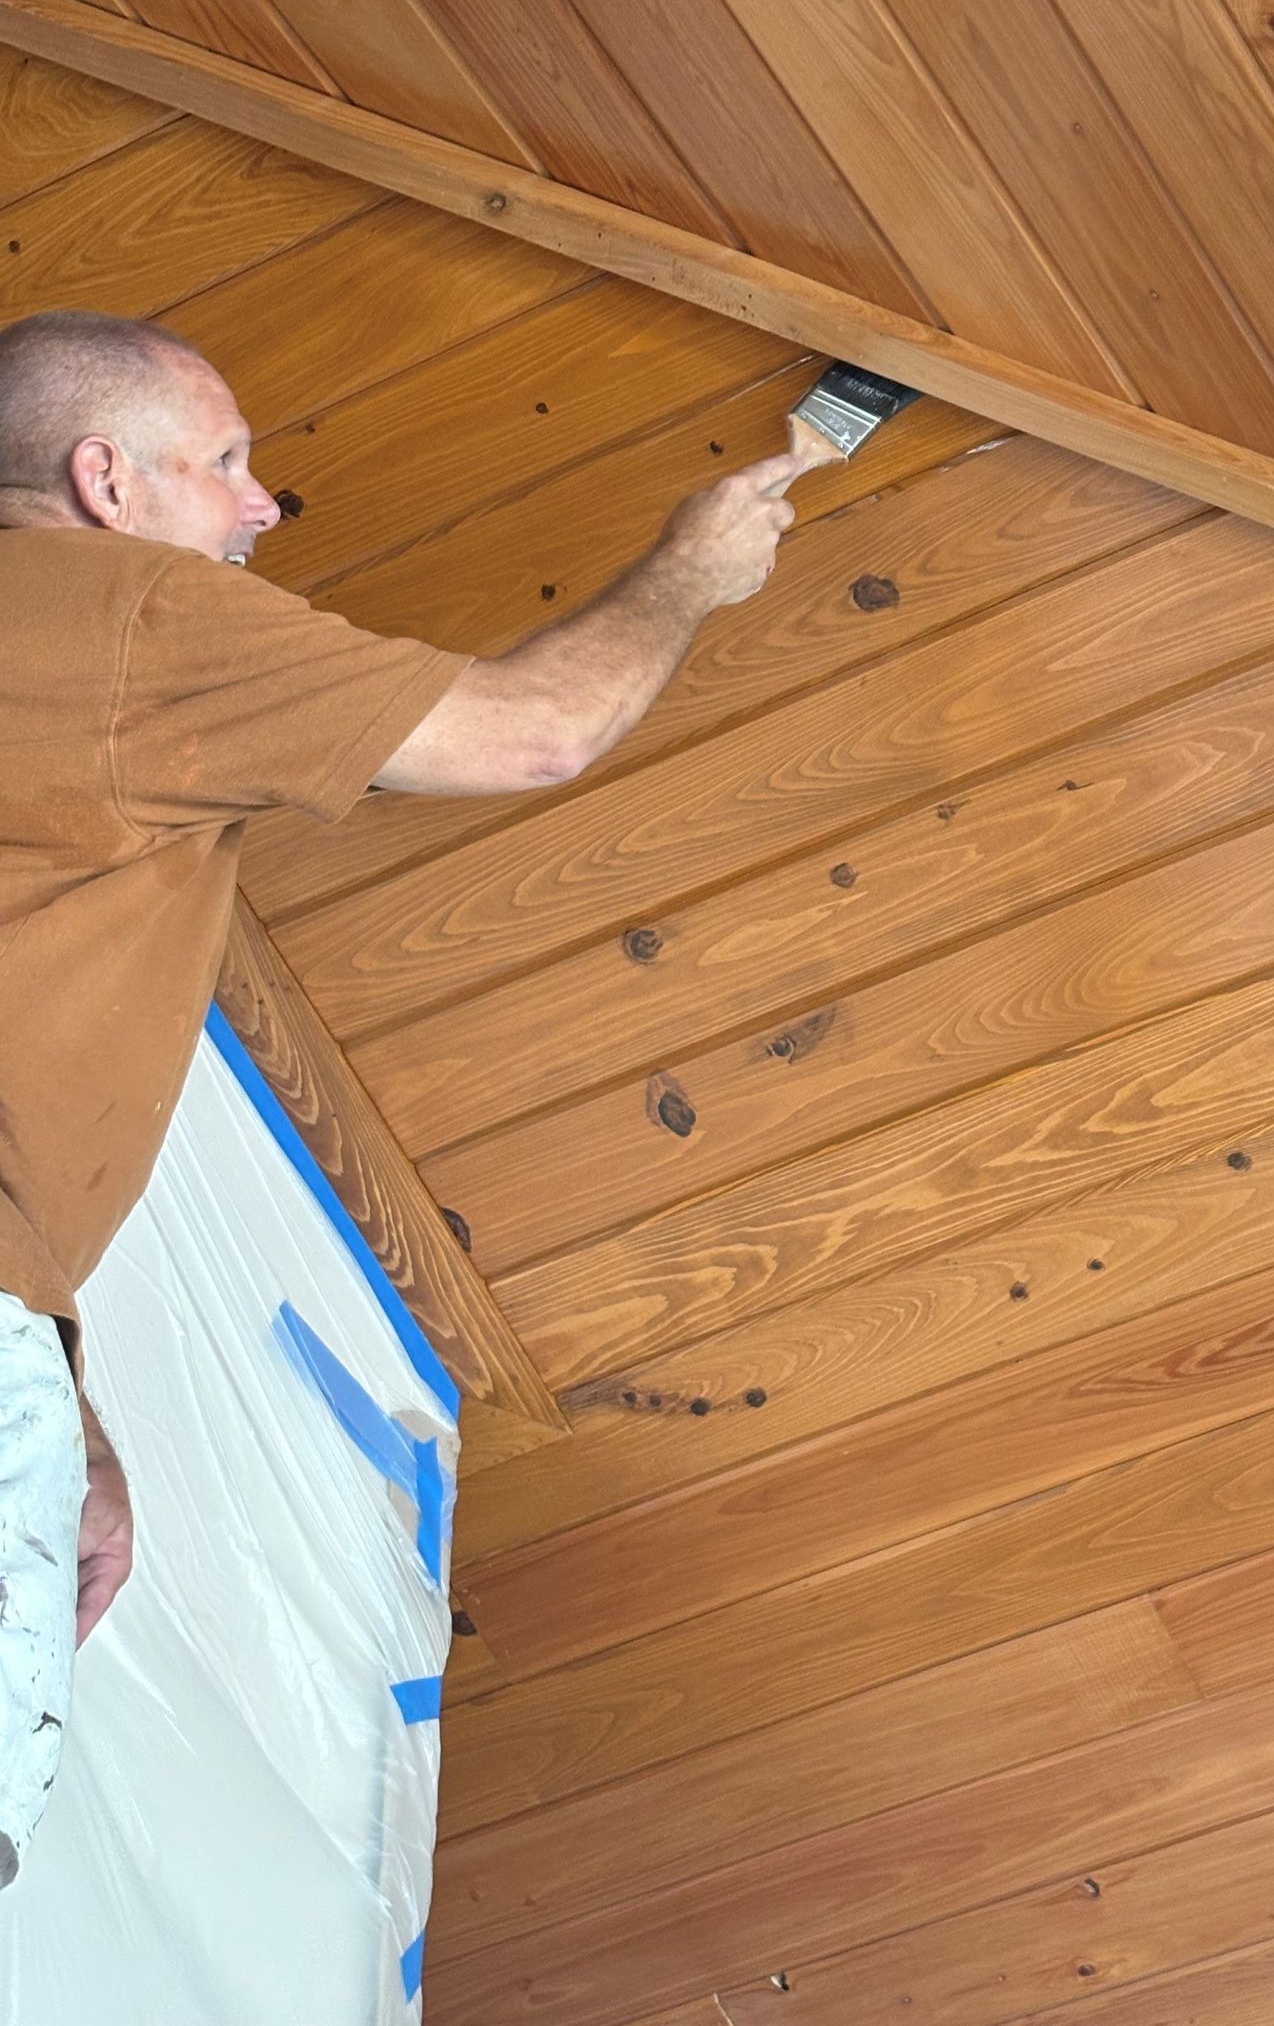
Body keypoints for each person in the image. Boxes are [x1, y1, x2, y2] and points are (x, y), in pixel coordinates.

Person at [0, 307, 796, 1887]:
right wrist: (691, 574)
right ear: (106, 480)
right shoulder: (125, 613)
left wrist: (57, 1374)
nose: (259, 504)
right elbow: (536, 733)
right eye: (226, 465)